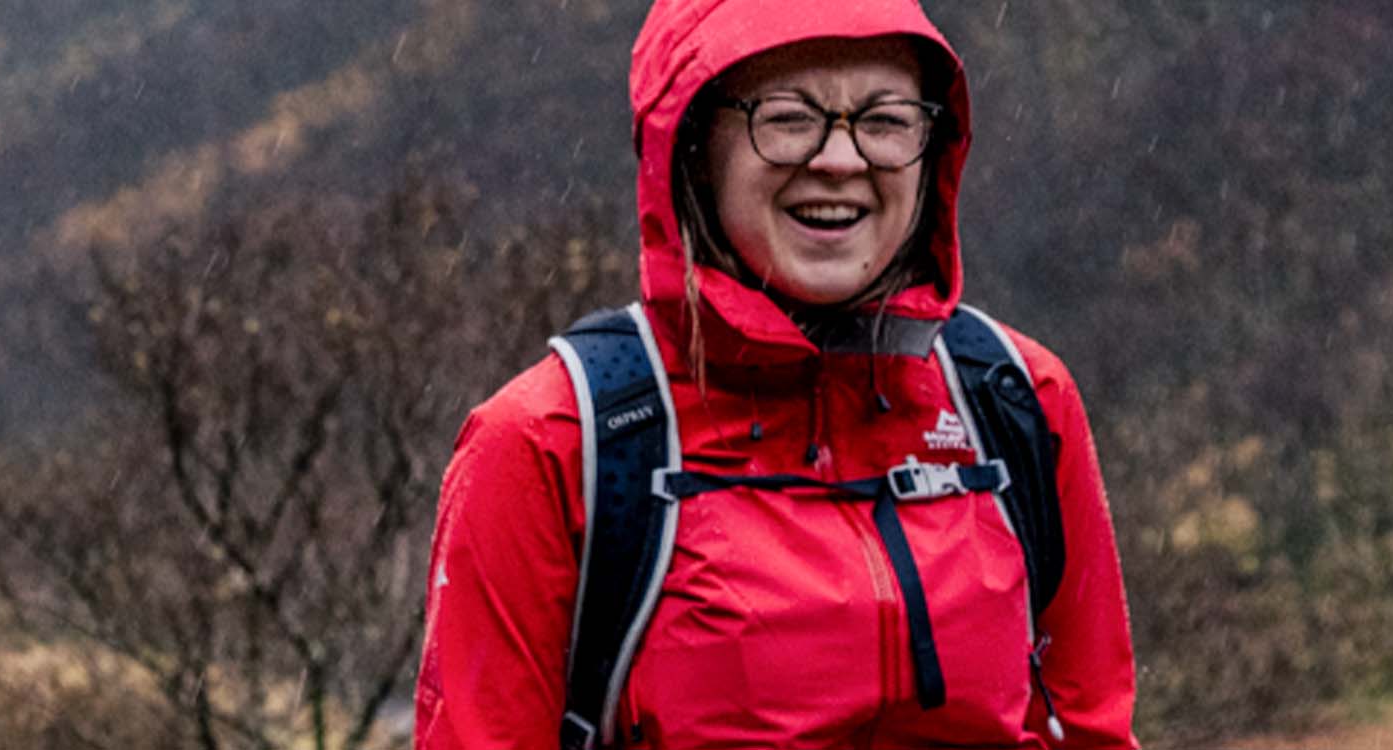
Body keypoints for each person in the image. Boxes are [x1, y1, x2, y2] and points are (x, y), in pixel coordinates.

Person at [409, 1, 1135, 748]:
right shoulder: (558, 444)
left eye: (886, 121)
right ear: (692, 144)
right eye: (788, 117)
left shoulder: (1013, 399)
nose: (841, 160)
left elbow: (1091, 729)